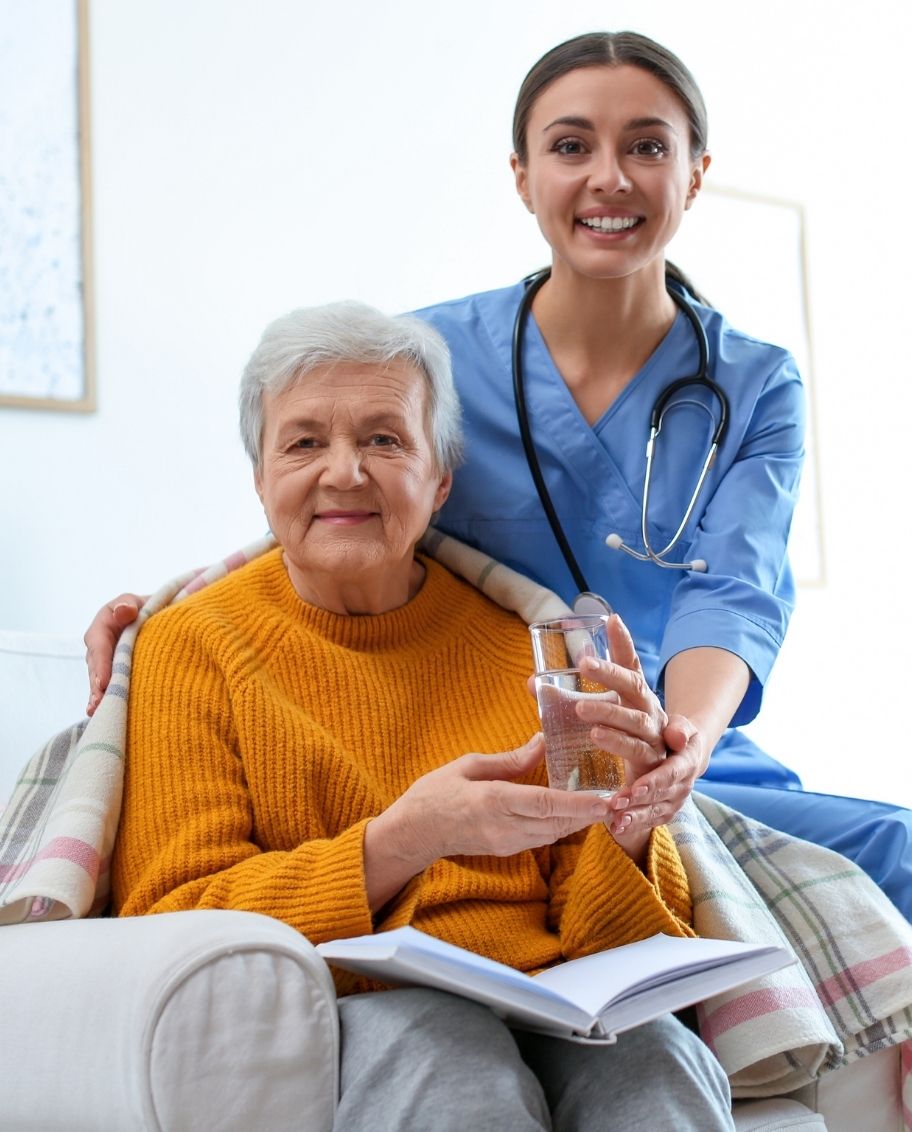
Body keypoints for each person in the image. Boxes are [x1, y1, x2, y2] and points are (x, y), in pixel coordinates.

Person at [89, 31, 912, 1129]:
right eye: (570, 145)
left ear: (694, 172)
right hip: (509, 719)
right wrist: (169, 601)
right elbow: (343, 490)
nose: (607, 177)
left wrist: (676, 745)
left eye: (645, 146)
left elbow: (735, 587)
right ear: (522, 174)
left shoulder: (753, 382)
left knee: (894, 843)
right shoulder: (431, 350)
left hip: (672, 724)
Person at [111, 301, 734, 1131]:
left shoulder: (529, 644)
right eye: (304, 442)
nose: (344, 472)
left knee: (663, 1060)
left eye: (384, 439)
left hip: (554, 1000)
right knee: (446, 1054)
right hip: (358, 1009)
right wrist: (402, 840)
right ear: (259, 478)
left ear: (439, 482)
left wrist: (624, 821)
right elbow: (168, 919)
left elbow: (610, 944)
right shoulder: (191, 646)